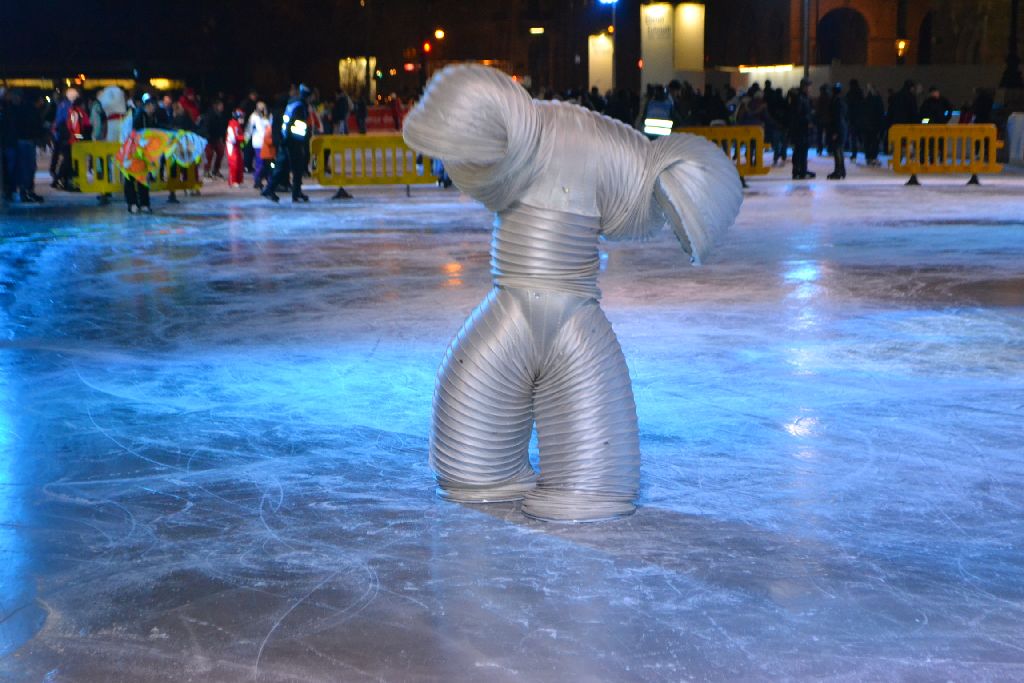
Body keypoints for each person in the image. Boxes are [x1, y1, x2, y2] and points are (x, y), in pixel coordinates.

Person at [263, 84, 312, 202]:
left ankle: (272, 189)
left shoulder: (293, 103)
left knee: (282, 166)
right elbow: (297, 125)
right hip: (293, 142)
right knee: (296, 167)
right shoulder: (300, 106)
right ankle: (293, 193)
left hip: (286, 140)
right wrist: (304, 137)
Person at [124, 93, 161, 214]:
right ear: (147, 106)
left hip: (143, 152)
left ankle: (144, 203)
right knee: (130, 177)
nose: (153, 108)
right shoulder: (138, 116)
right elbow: (134, 133)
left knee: (143, 177)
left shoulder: (152, 117)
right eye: (152, 106)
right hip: (132, 151)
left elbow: (156, 130)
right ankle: (132, 203)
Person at [789, 79, 815, 180]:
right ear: (804, 87)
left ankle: (801, 170)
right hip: (800, 129)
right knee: (801, 150)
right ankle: (800, 171)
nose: (810, 89)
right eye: (809, 87)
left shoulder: (802, 97)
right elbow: (798, 114)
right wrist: (808, 120)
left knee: (801, 150)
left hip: (801, 129)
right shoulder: (800, 98)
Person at [199, 99, 227, 178]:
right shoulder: (209, 115)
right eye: (220, 106)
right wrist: (207, 137)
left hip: (217, 138)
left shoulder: (221, 115)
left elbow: (221, 127)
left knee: (221, 152)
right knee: (209, 155)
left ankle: (216, 170)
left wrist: (222, 136)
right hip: (209, 138)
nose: (222, 107)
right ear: (216, 106)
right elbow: (206, 127)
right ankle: (206, 171)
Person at [246, 101, 271, 189]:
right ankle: (257, 181)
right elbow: (255, 130)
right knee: (260, 163)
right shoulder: (254, 117)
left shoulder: (265, 117)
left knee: (267, 162)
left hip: (265, 142)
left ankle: (267, 179)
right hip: (259, 143)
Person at [827, 82, 848, 179]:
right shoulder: (842, 101)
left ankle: (838, 171)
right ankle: (841, 171)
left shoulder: (836, 101)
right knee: (840, 150)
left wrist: (835, 131)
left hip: (838, 128)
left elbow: (837, 117)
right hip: (841, 128)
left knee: (837, 150)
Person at [862, 84, 886, 167]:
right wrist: (881, 125)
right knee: (874, 142)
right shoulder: (878, 100)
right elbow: (880, 113)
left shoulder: (865, 100)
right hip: (875, 125)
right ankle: (873, 157)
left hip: (866, 125)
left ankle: (868, 157)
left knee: (867, 142)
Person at [225, 109, 246, 188]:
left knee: (239, 163)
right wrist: (243, 138)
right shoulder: (232, 125)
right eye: (241, 117)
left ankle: (238, 180)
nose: (243, 119)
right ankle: (233, 181)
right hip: (232, 146)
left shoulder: (237, 125)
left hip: (236, 146)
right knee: (234, 163)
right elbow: (233, 138)